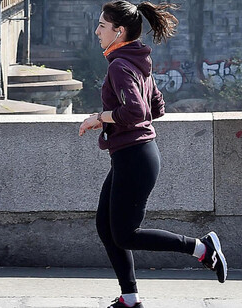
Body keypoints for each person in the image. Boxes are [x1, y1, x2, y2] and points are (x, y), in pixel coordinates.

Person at [79, 1, 227, 307]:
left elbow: (137, 110)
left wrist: (101, 117)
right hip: (134, 155)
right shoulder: (137, 61)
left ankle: (202, 249)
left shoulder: (121, 66)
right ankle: (129, 299)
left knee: (125, 234)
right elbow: (156, 107)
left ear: (118, 31)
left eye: (102, 26)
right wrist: (121, 116)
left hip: (134, 157)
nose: (97, 31)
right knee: (106, 227)